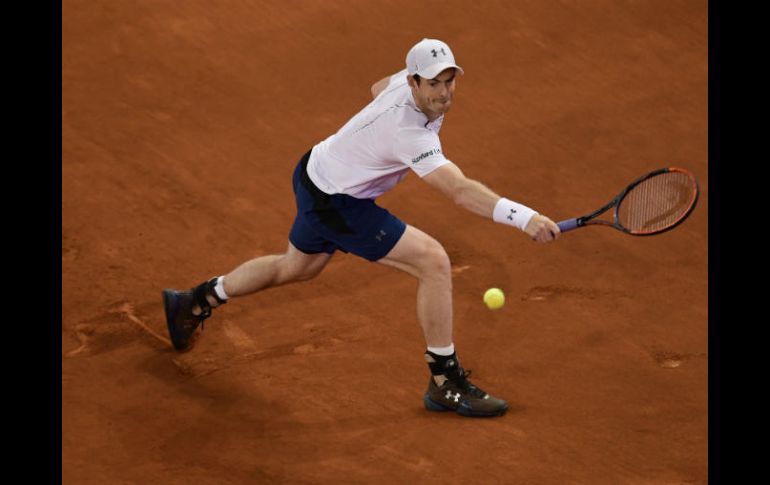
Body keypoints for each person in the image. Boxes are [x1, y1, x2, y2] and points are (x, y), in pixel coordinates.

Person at [163, 38, 560, 418]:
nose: (443, 93)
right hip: (338, 202)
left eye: (449, 81)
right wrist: (525, 218)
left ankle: (195, 301)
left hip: (314, 170)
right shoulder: (410, 133)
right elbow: (458, 190)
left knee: (297, 267)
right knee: (433, 261)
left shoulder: (400, 87)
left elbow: (377, 87)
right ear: (414, 82)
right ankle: (444, 381)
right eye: (433, 83)